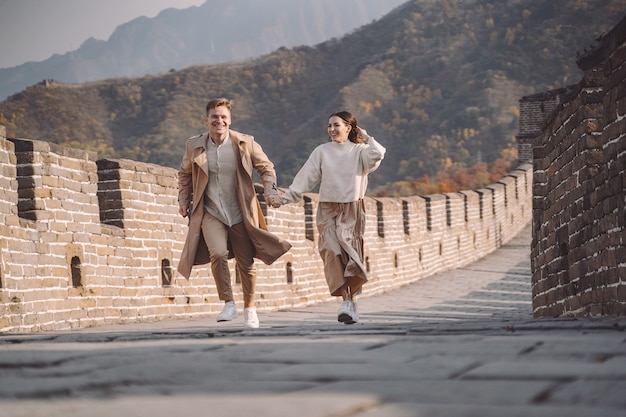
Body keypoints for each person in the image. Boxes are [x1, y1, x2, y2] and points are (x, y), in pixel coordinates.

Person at [177, 97, 291, 328]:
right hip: (210, 210)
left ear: (230, 120)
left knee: (245, 262)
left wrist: (270, 190)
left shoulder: (244, 143)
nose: (219, 121)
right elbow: (184, 174)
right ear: (206, 119)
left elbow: (266, 167)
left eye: (223, 117)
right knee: (217, 253)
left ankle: (250, 308)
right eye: (214, 117)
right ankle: (228, 302)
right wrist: (183, 199)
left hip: (240, 210)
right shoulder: (194, 145)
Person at [277, 111, 385, 324]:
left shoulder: (360, 152)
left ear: (349, 128)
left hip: (352, 208)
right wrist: (286, 198)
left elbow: (378, 154)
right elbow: (306, 177)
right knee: (331, 251)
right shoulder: (322, 151)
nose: (332, 129)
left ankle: (351, 301)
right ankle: (346, 301)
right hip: (327, 208)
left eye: (337, 125)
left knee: (350, 256)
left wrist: (366, 136)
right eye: (329, 126)